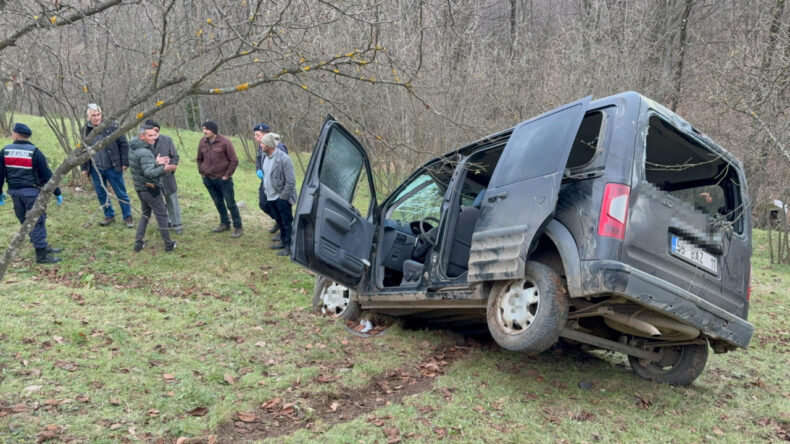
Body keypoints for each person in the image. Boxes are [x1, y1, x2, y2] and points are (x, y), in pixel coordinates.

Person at [0, 123, 63, 263]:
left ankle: (41, 245)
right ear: (28, 136)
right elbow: (47, 175)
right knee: (37, 221)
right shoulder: (35, 152)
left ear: (15, 135)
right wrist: (57, 192)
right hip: (32, 192)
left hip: (14, 192)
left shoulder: (5, 151)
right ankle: (41, 254)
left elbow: (0, 174)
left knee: (24, 219)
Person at [80, 103, 134, 228]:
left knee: (121, 193)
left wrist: (125, 163)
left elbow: (124, 144)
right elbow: (83, 150)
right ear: (88, 117)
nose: (96, 117)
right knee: (101, 193)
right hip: (95, 169)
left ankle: (128, 217)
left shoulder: (113, 126)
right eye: (93, 115)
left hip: (113, 167)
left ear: (101, 114)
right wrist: (84, 168)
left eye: (98, 114)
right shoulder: (84, 130)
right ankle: (109, 215)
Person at [128, 125, 178, 252]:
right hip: (150, 189)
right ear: (141, 136)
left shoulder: (134, 148)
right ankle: (169, 244)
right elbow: (149, 173)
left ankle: (138, 243)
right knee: (162, 216)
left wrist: (156, 162)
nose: (154, 138)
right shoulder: (144, 152)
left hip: (140, 188)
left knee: (145, 215)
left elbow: (142, 166)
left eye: (154, 135)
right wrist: (164, 168)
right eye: (150, 135)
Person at [196, 120, 243, 238]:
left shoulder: (225, 142)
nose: (204, 131)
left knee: (231, 204)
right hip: (208, 179)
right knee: (218, 202)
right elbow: (199, 159)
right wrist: (202, 172)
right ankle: (225, 224)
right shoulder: (202, 142)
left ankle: (238, 227)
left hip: (223, 180)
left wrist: (227, 175)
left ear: (214, 130)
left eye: (207, 129)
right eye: (203, 129)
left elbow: (234, 160)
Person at [260, 132, 297, 256]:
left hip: (281, 197)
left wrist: (283, 198)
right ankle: (282, 241)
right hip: (270, 197)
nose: (260, 145)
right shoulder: (265, 157)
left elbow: (291, 181)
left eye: (262, 143)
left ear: (269, 145)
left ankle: (289, 247)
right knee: (279, 221)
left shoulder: (284, 159)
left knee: (286, 223)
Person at [145, 119, 182, 234]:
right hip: (152, 178)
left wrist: (171, 168)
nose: (154, 133)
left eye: (157, 130)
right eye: (152, 130)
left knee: (172, 201)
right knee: (159, 203)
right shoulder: (143, 143)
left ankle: (177, 224)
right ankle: (165, 223)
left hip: (167, 177)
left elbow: (175, 156)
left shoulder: (167, 140)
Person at [253, 123, 289, 239]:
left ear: (265, 134)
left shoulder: (279, 147)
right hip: (265, 181)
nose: (255, 138)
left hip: (276, 185)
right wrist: (259, 169)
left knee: (280, 209)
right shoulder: (262, 145)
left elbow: (284, 167)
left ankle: (283, 231)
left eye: (257, 135)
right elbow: (259, 159)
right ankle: (278, 222)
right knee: (263, 204)